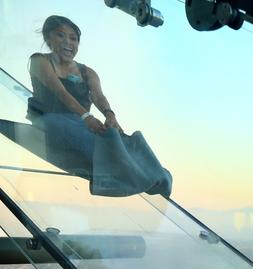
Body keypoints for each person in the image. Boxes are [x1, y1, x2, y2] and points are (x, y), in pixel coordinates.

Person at [27, 15, 172, 197]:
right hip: (50, 119)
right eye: (60, 35)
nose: (68, 42)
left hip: (80, 124)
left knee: (120, 139)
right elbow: (61, 93)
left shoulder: (87, 72)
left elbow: (98, 96)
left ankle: (158, 176)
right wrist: (87, 117)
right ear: (48, 38)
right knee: (108, 149)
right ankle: (138, 178)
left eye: (73, 38)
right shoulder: (39, 61)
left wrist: (110, 115)